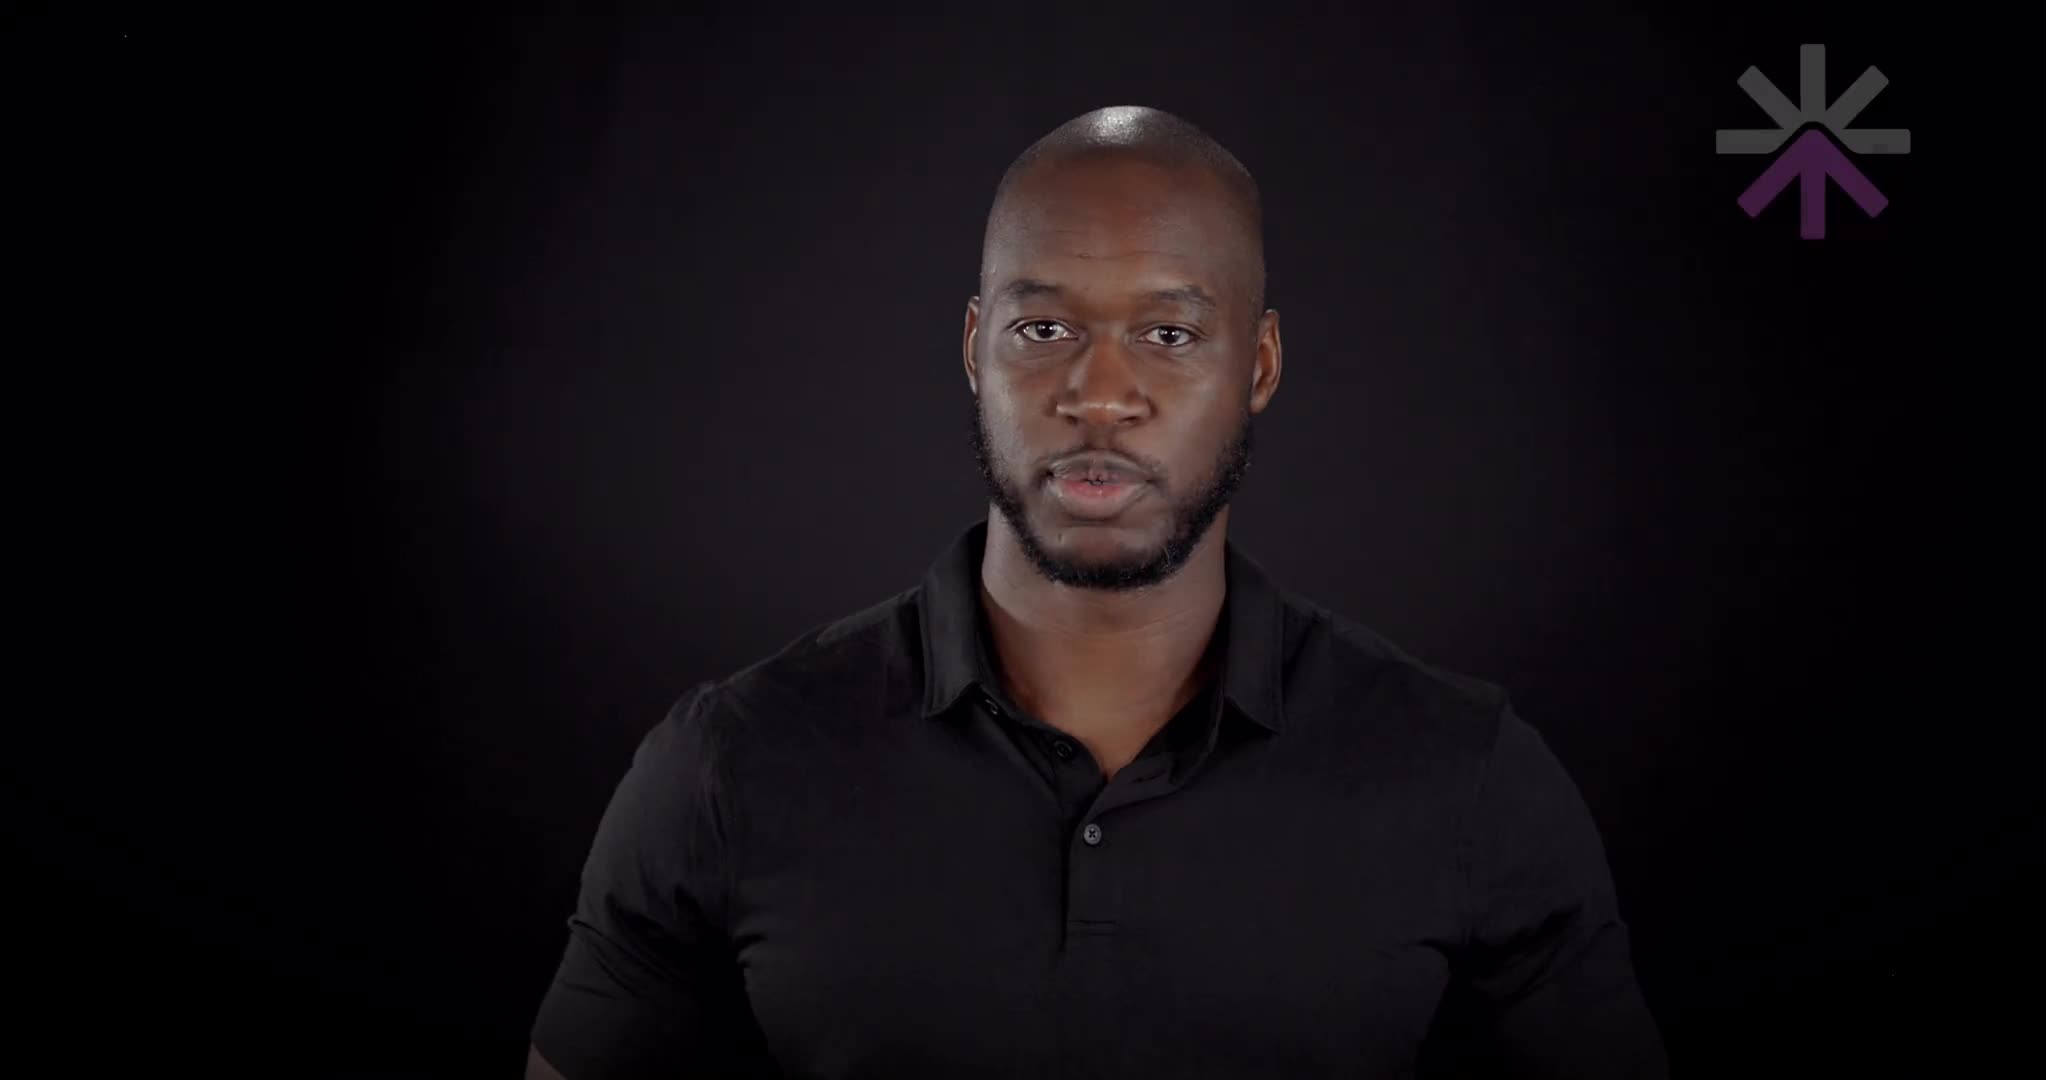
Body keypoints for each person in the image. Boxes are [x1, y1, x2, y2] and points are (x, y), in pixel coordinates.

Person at [526, 105, 1667, 1079]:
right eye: (1045, 328)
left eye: (1169, 331)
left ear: (1260, 365)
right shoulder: (726, 766)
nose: (1100, 393)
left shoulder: (1469, 778)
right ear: (976, 347)